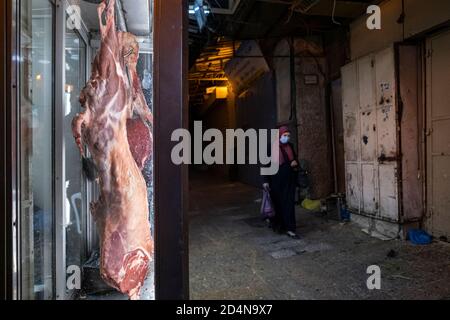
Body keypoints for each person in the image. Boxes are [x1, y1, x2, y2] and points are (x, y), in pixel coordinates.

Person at [262, 126, 300, 239]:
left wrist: (295, 163)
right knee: (277, 204)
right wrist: (265, 181)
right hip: (275, 180)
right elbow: (266, 164)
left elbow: (295, 160)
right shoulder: (271, 147)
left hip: (289, 179)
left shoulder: (290, 146)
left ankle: (290, 228)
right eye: (284, 135)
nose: (287, 138)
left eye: (288, 135)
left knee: (288, 204)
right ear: (279, 135)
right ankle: (278, 225)